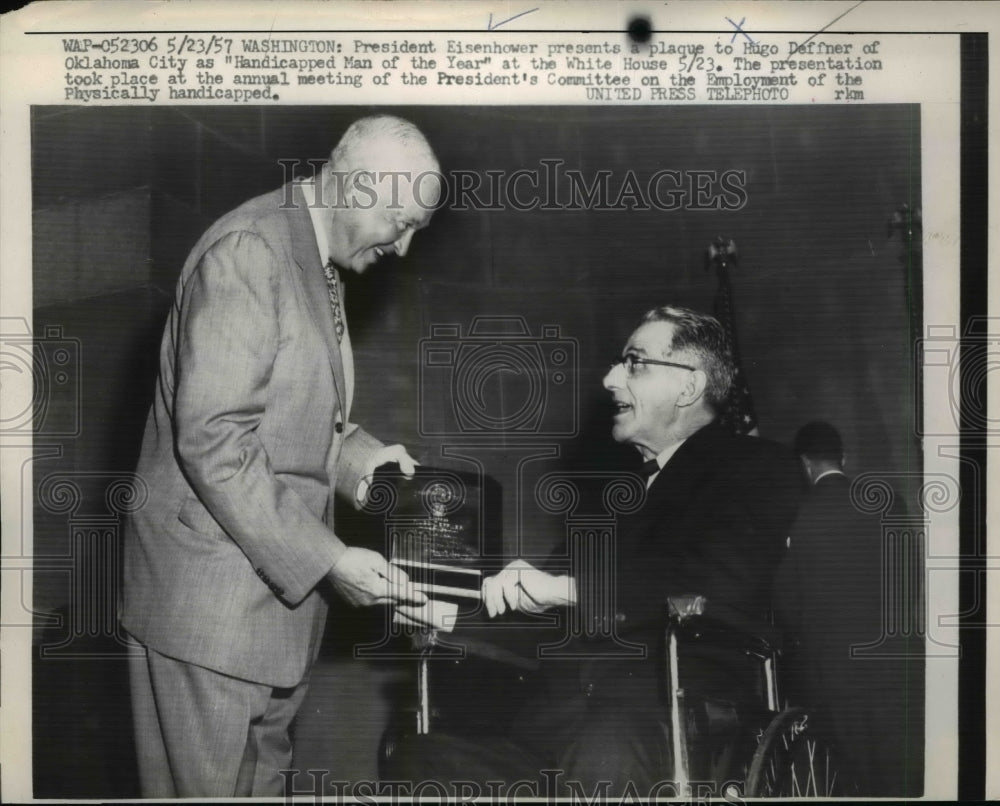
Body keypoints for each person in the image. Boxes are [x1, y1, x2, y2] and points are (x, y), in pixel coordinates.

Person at [121, 115, 441, 797]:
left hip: (266, 623)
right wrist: (329, 559)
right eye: (402, 220)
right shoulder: (252, 251)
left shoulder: (313, 260)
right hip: (209, 622)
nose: (406, 247)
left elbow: (288, 418)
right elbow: (213, 436)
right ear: (357, 188)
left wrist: (362, 461)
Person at [389, 305, 802, 796]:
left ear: (689, 387)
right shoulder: (608, 499)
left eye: (633, 363)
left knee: (603, 753)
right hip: (558, 729)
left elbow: (720, 583)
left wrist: (567, 589)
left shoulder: (758, 468)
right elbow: (541, 617)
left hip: (678, 721)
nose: (609, 379)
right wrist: (443, 613)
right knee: (421, 759)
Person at [771, 421, 921, 795]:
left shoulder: (799, 516)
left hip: (838, 673)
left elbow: (787, 602)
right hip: (898, 660)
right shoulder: (887, 501)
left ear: (804, 465)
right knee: (906, 770)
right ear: (844, 457)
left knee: (858, 777)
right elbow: (910, 576)